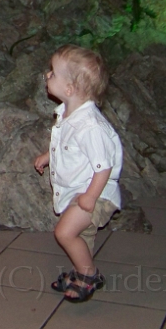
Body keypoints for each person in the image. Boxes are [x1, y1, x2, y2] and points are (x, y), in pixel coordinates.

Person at [33, 44, 123, 303]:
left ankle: (88, 275)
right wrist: (49, 156)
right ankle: (83, 270)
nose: (47, 75)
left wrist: (90, 197)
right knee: (81, 235)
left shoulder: (90, 126)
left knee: (64, 233)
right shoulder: (68, 114)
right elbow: (70, 147)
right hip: (80, 189)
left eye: (53, 73)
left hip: (96, 191)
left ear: (70, 89)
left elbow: (103, 166)